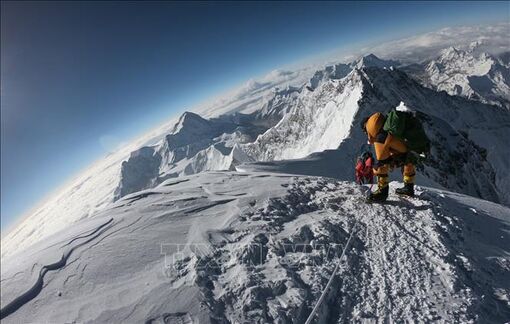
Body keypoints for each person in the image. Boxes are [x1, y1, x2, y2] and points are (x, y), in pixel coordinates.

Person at [360, 112, 416, 202]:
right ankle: (408, 188)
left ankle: (382, 193)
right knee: (408, 160)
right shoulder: (389, 128)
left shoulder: (380, 137)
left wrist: (376, 167)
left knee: (379, 166)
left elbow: (382, 163)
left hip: (401, 148)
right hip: (412, 146)